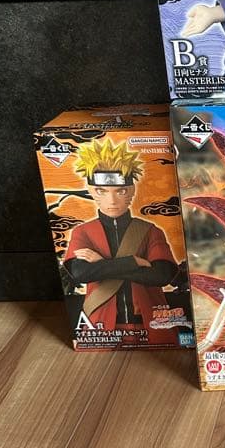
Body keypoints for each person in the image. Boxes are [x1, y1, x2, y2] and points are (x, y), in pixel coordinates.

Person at [63, 138, 178, 339]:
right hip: (99, 326)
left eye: (121, 191)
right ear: (91, 192)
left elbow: (162, 275)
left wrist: (102, 264)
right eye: (102, 191)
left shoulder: (151, 230)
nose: (112, 200)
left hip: (152, 325)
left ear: (131, 191)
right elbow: (80, 273)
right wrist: (134, 262)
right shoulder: (83, 232)